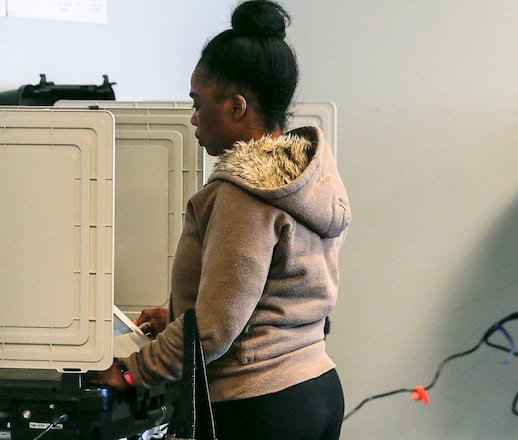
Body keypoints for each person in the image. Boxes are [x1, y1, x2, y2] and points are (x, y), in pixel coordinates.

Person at [90, 1, 350, 438]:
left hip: (258, 403)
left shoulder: (243, 196)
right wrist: (175, 314)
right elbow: (266, 294)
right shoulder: (306, 178)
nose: (192, 118)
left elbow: (214, 329)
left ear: (236, 107)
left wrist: (132, 372)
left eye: (197, 102)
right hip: (314, 388)